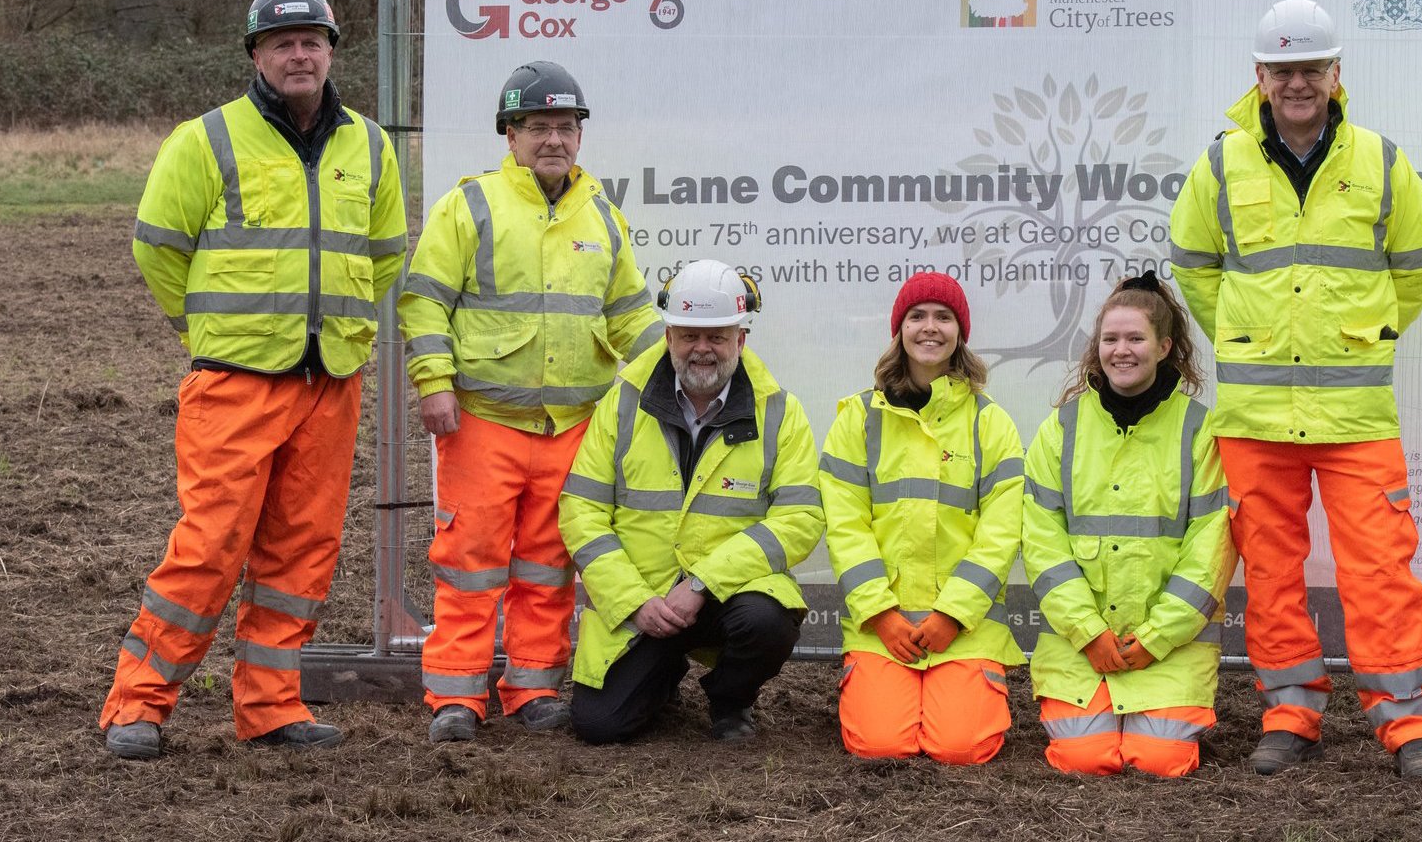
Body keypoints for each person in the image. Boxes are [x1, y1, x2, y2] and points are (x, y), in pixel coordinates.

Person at [105, 0, 406, 759]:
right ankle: (137, 701)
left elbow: (382, 257)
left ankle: (271, 706)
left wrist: (341, 332)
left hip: (330, 382)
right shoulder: (205, 140)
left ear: (333, 51)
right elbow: (156, 248)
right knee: (209, 543)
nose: (300, 53)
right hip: (235, 383)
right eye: (283, 42)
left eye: (313, 40)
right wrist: (202, 327)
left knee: (301, 551)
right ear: (256, 56)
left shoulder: (369, 146)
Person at [1168, 0, 1422, 778]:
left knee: (1380, 571)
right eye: (1283, 69)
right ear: (1259, 77)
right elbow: (1192, 262)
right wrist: (1244, 332)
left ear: (1336, 74)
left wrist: (1370, 332)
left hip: (1356, 414)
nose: (1298, 83)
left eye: (1311, 69)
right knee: (1272, 573)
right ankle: (1289, 712)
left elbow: (1419, 261)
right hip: (1255, 415)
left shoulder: (1379, 161)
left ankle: (1407, 724)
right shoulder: (1221, 164)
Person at [399, 61, 658, 743]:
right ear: (508, 134)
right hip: (483, 419)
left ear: (580, 136)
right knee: (470, 561)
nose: (553, 138)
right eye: (537, 125)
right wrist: (433, 382)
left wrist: (680, 368)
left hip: (574, 425)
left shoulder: (601, 214)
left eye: (565, 126)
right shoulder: (471, 204)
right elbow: (424, 297)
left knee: (550, 565)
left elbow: (630, 313)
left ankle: (534, 687)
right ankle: (455, 696)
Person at [557, 259, 823, 744]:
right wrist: (634, 601)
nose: (703, 349)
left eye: (717, 336)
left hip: (725, 596)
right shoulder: (621, 404)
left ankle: (730, 700)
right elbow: (581, 510)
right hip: (644, 597)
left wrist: (702, 583)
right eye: (689, 335)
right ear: (668, 338)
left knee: (767, 623)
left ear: (741, 341)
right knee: (600, 727)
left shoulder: (780, 412)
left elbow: (800, 518)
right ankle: (662, 677)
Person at [1020, 271, 1233, 777]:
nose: (1122, 350)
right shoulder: (1063, 427)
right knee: (1082, 759)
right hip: (1082, 646)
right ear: (1096, 348)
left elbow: (1213, 547)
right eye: (1110, 339)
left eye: (1136, 338)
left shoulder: (1199, 429)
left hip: (1169, 646)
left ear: (1164, 347)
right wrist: (1088, 632)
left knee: (1160, 760)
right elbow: (1043, 542)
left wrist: (1159, 636)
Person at [819, 272, 1026, 765]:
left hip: (964, 628)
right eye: (917, 316)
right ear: (899, 330)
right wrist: (881, 614)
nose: (929, 328)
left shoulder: (988, 420)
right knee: (880, 745)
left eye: (943, 317)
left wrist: (953, 615)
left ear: (960, 333)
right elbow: (845, 525)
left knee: (961, 748)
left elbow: (1001, 531)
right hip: (881, 628)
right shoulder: (858, 419)